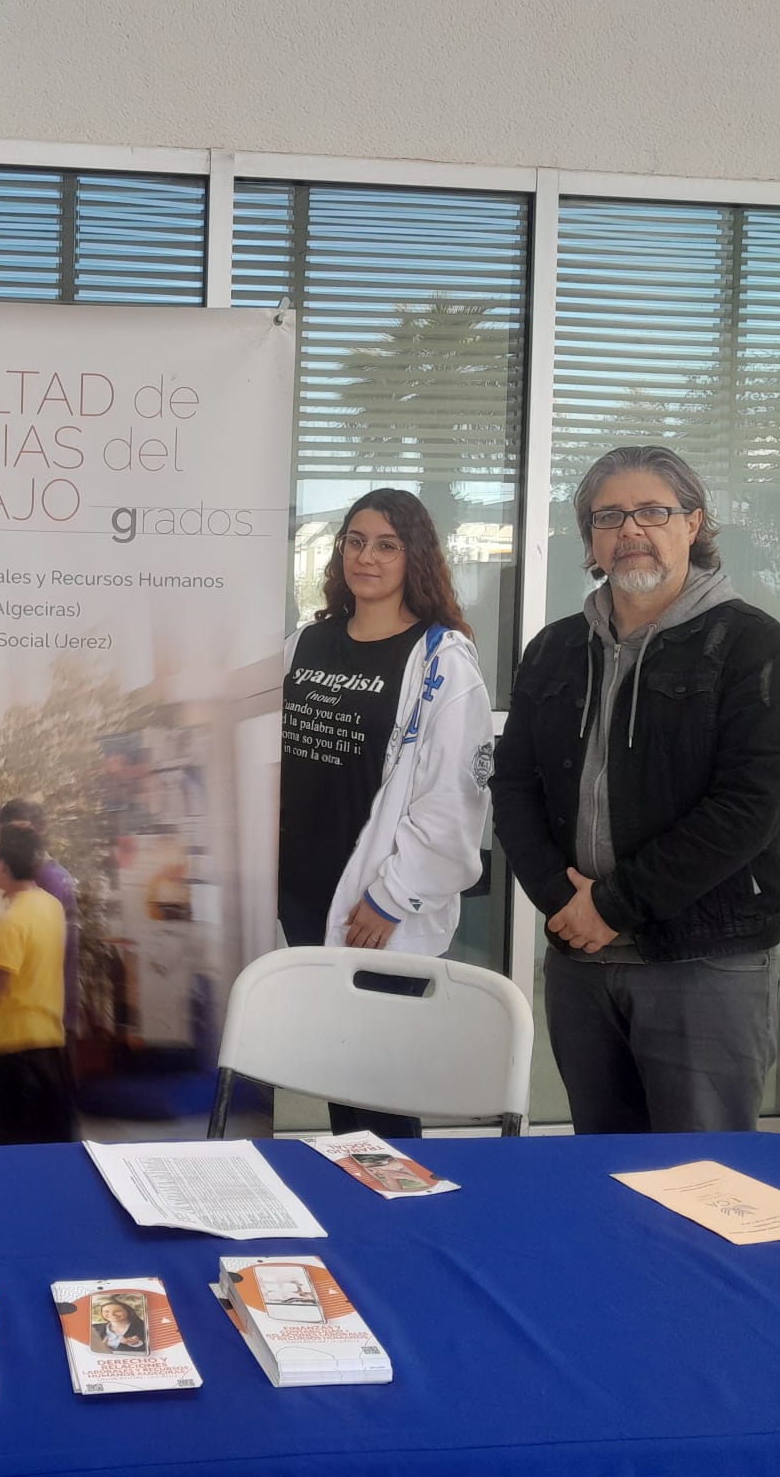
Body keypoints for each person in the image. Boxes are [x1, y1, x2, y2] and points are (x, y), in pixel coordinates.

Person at [491, 445, 780, 1134]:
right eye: (609, 516)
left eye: (652, 511)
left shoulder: (749, 643)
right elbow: (513, 784)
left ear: (692, 524)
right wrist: (563, 902)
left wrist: (614, 904)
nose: (630, 530)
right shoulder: (553, 649)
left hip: (705, 958)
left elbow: (748, 805)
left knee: (705, 1180)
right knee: (605, 1168)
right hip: (583, 960)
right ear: (591, 539)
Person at [277, 488, 493, 1140]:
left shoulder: (440, 661)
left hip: (377, 906)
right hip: (305, 896)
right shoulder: (305, 644)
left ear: (415, 558)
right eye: (354, 541)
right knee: (339, 1071)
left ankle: (394, 1216)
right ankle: (357, 1215)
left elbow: (455, 797)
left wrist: (393, 897)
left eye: (387, 545)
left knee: (379, 1086)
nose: (366, 557)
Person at [0, 823, 75, 1144]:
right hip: (49, 1042)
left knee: (14, 1143)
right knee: (52, 1140)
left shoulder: (13, 919)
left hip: (13, 1050)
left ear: (4, 865)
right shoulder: (50, 905)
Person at [0, 799, 81, 1036]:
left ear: (40, 831)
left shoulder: (47, 881)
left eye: (19, 832)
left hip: (36, 1020)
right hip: (48, 1015)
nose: (12, 842)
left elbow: (20, 944)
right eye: (6, 835)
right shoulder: (44, 886)